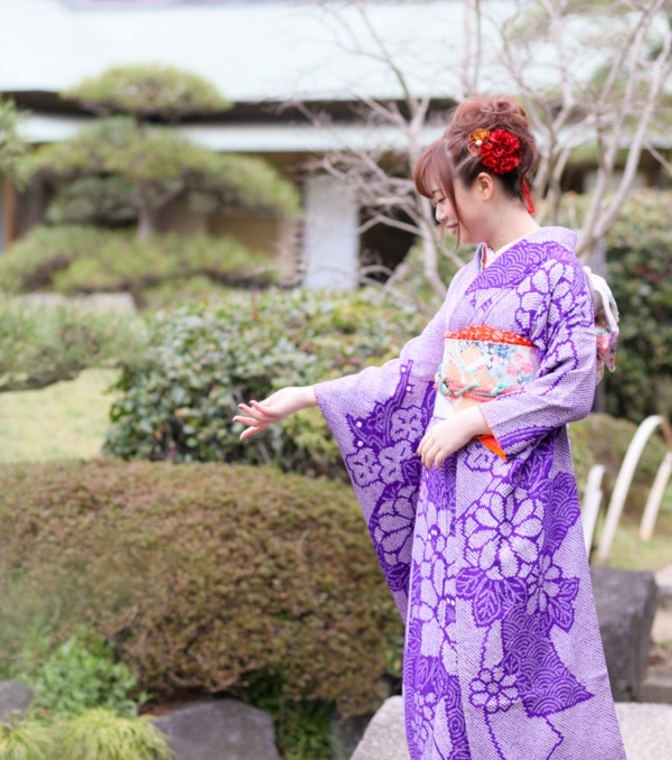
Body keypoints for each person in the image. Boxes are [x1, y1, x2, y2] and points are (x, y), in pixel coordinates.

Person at [233, 96, 626, 759]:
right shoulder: (467, 280)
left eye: (444, 199)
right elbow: (414, 369)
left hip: (515, 494)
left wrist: (473, 419)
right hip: (448, 490)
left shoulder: (557, 269)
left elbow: (571, 384)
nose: (440, 215)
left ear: (484, 185)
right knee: (446, 651)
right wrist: (307, 396)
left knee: (508, 653)